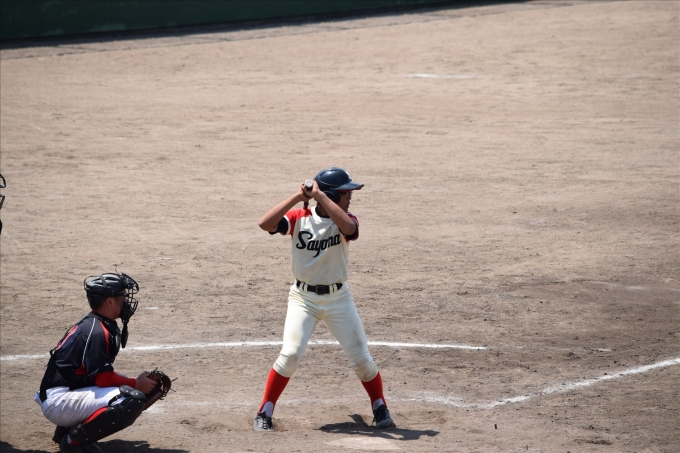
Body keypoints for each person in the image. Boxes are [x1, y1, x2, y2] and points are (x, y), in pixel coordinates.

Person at [253, 167, 394, 431]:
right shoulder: (300, 218)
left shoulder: (345, 220)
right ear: (331, 194)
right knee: (290, 355)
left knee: (361, 359)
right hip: (303, 299)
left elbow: (349, 228)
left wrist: (319, 196)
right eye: (345, 193)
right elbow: (265, 224)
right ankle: (264, 410)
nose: (349, 197)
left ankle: (379, 405)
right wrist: (298, 197)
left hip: (339, 298)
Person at [34, 272, 157, 453]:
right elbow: (103, 378)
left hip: (61, 394)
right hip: (58, 401)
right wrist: (136, 384)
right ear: (110, 301)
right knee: (131, 399)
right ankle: (75, 442)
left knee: (124, 389)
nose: (126, 301)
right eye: (123, 296)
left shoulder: (95, 324)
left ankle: (66, 430)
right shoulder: (97, 332)